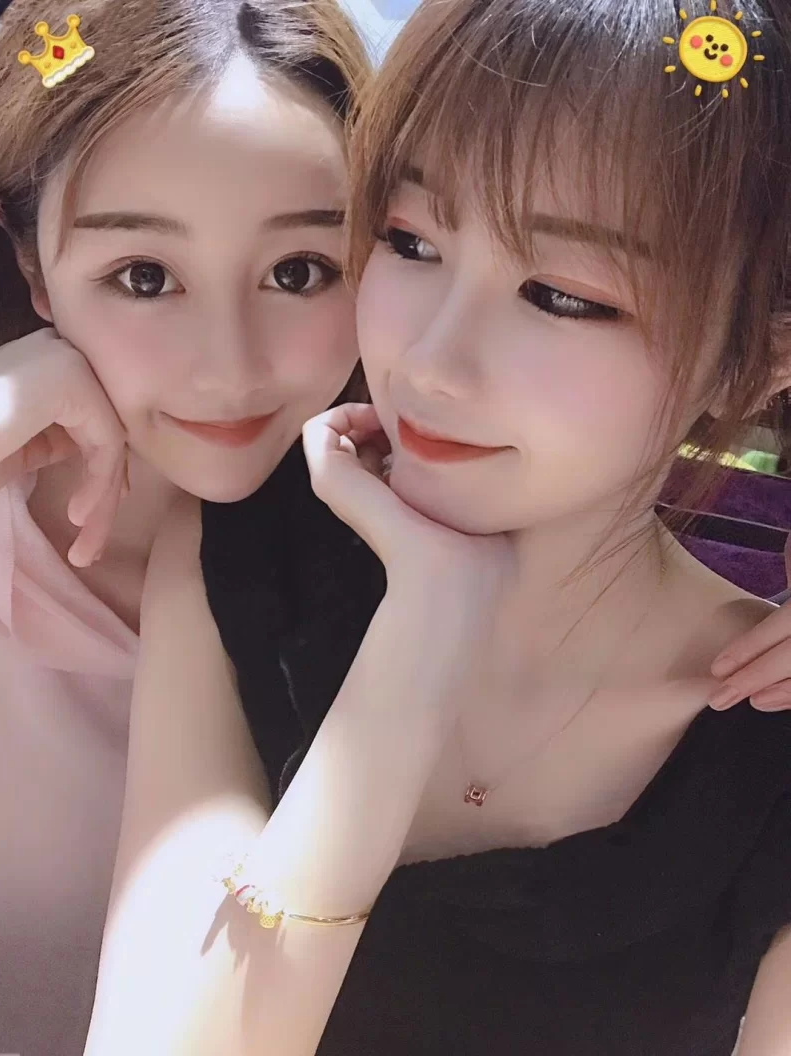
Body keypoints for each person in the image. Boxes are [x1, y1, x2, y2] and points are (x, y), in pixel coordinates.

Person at [92, 0, 791, 1053]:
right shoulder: (250, 547)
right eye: (409, 240)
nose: (427, 361)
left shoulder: (766, 753)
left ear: (747, 364)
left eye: (561, 296)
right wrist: (423, 625)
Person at [0, 1, 369, 1052]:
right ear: (35, 272)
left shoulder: (419, 560)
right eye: (144, 277)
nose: (228, 366)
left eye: (299, 271)